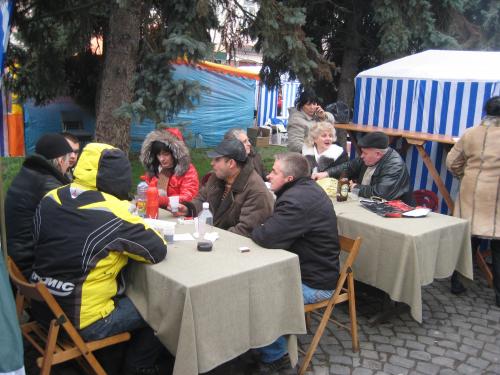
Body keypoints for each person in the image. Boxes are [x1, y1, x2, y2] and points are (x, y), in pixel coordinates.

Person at [30, 143, 169, 374]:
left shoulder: (49, 198)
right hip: (81, 322)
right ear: (119, 177)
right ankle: (138, 367)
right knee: (158, 307)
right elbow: (157, 250)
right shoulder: (115, 213)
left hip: (43, 309)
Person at [251, 153, 340, 373]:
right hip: (305, 270)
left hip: (316, 283)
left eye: (275, 172)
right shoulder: (301, 191)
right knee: (250, 284)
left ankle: (277, 358)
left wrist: (259, 227)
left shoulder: (297, 200)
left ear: (290, 178)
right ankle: (256, 343)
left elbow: (267, 236)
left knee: (260, 297)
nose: (268, 175)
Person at [446, 95, 500, 306]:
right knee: (498, 246)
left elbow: (452, 162)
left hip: (471, 191)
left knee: (468, 240)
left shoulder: (470, 132)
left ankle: (456, 283)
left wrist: (465, 175)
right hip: (496, 195)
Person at [5, 133, 72, 278]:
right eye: (68, 161)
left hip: (15, 258)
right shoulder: (48, 185)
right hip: (31, 265)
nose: (68, 166)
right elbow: (69, 223)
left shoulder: (29, 173)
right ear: (61, 160)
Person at [176, 139, 274, 237]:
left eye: (217, 159)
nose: (212, 163)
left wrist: (214, 236)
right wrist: (188, 209)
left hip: (234, 246)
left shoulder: (256, 191)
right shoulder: (216, 177)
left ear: (231, 163)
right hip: (211, 236)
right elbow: (202, 200)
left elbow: (245, 230)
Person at [326, 132, 411, 202]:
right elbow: (349, 166)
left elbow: (381, 193)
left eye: (365, 153)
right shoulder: (368, 157)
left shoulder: (394, 165)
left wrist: (355, 187)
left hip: (394, 210)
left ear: (378, 154)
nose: (361, 156)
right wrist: (327, 173)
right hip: (366, 202)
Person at [140, 128, 199, 207]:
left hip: (178, 214)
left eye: (166, 154)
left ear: (176, 154)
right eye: (158, 155)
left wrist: (163, 200)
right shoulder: (156, 168)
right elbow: (146, 191)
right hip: (155, 210)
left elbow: (188, 197)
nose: (161, 159)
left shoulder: (188, 170)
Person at [287, 89, 347, 153]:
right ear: (301, 105)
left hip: (319, 153)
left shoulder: (316, 116)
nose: (312, 107)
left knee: (339, 149)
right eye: (308, 104)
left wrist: (323, 116)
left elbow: (332, 121)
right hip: (304, 157)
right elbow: (295, 145)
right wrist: (317, 151)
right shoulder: (296, 120)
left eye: (314, 104)